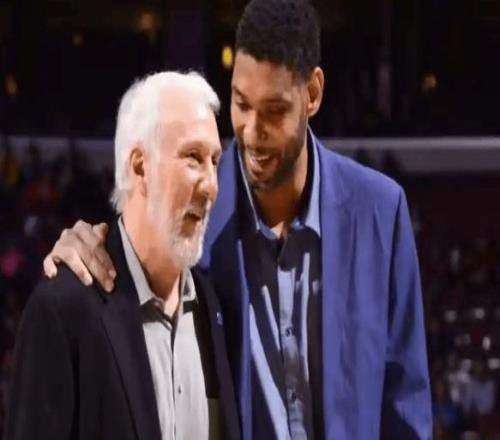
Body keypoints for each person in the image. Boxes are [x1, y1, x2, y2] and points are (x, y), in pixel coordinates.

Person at [42, 0, 432, 438]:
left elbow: (405, 410)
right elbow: (124, 262)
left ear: (313, 94)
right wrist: (82, 243)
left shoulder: (380, 211)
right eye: (241, 104)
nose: (250, 131)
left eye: (274, 111)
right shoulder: (191, 215)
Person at [5, 72, 240, 440]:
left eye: (215, 161)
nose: (211, 185)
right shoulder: (61, 311)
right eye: (194, 158)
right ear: (140, 167)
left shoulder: (214, 308)